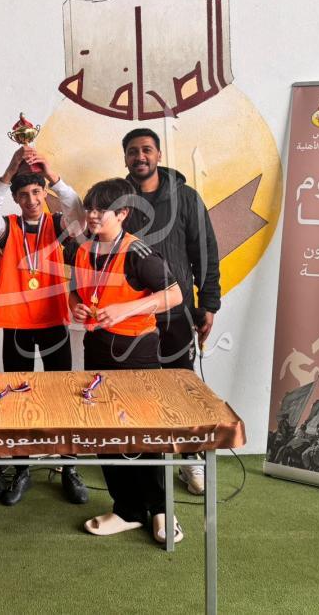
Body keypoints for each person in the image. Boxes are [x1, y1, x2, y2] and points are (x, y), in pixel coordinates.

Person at [71, 178, 184, 544]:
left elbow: (174, 295)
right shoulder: (82, 249)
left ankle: (163, 509)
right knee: (105, 432)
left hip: (137, 352)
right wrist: (78, 306)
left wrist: (125, 309)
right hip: (97, 348)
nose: (92, 216)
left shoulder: (138, 253)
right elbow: (77, 292)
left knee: (144, 433)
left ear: (122, 214)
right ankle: (128, 510)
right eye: (89, 209)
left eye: (101, 210)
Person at [0, 145, 88, 506]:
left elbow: (79, 213)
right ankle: (22, 468)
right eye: (23, 194)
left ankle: (69, 467)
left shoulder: (57, 224)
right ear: (15, 198)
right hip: (17, 324)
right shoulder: (7, 228)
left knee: (63, 395)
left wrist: (53, 174)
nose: (31, 200)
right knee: (17, 397)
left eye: (37, 192)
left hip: (53, 320)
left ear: (45, 193)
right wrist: (8, 173)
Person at [121, 127, 221, 495]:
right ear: (125, 158)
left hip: (177, 312)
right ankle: (137, 459)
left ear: (159, 155)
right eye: (133, 151)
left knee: (180, 386)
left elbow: (204, 253)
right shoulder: (118, 200)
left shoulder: (186, 198)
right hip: (132, 314)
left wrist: (208, 303)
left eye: (146, 149)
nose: (140, 157)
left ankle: (189, 459)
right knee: (135, 388)